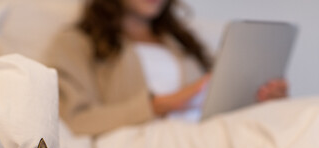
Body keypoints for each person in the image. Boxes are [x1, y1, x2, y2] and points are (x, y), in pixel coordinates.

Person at [49, 0, 287, 136]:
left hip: (206, 130)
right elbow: (75, 122)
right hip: (151, 138)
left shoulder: (182, 42)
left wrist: (259, 98)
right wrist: (163, 104)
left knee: (303, 114)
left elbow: (213, 101)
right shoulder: (77, 41)